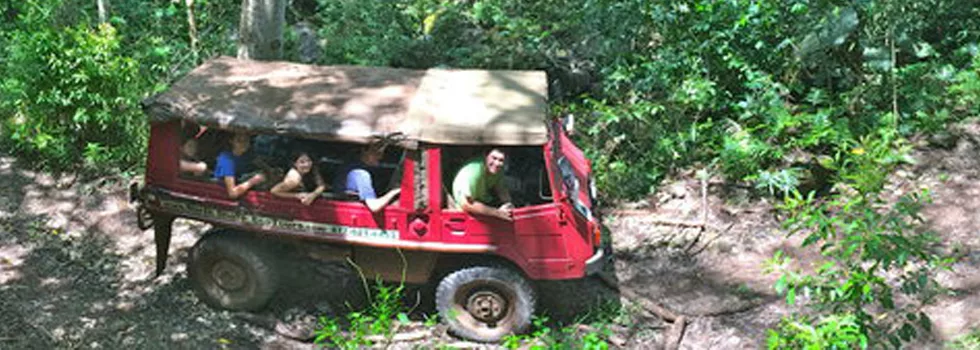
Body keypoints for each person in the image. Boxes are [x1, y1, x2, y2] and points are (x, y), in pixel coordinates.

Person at [336, 143, 400, 213]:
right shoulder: (360, 174)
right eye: (376, 152)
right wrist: (394, 191)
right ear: (364, 151)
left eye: (382, 153)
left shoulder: (348, 166)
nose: (380, 157)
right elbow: (374, 206)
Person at [452, 148, 513, 221]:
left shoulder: (497, 169)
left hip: (483, 203)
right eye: (494, 158)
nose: (497, 163)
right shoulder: (473, 171)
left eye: (501, 160)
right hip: (464, 215)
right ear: (485, 156)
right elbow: (467, 204)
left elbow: (501, 189)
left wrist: (509, 204)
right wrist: (497, 213)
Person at [213, 132, 266, 199]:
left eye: (246, 140)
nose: (243, 144)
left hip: (243, 186)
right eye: (239, 141)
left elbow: (264, 167)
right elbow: (232, 193)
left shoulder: (249, 155)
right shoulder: (226, 160)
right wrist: (253, 181)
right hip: (222, 195)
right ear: (231, 141)